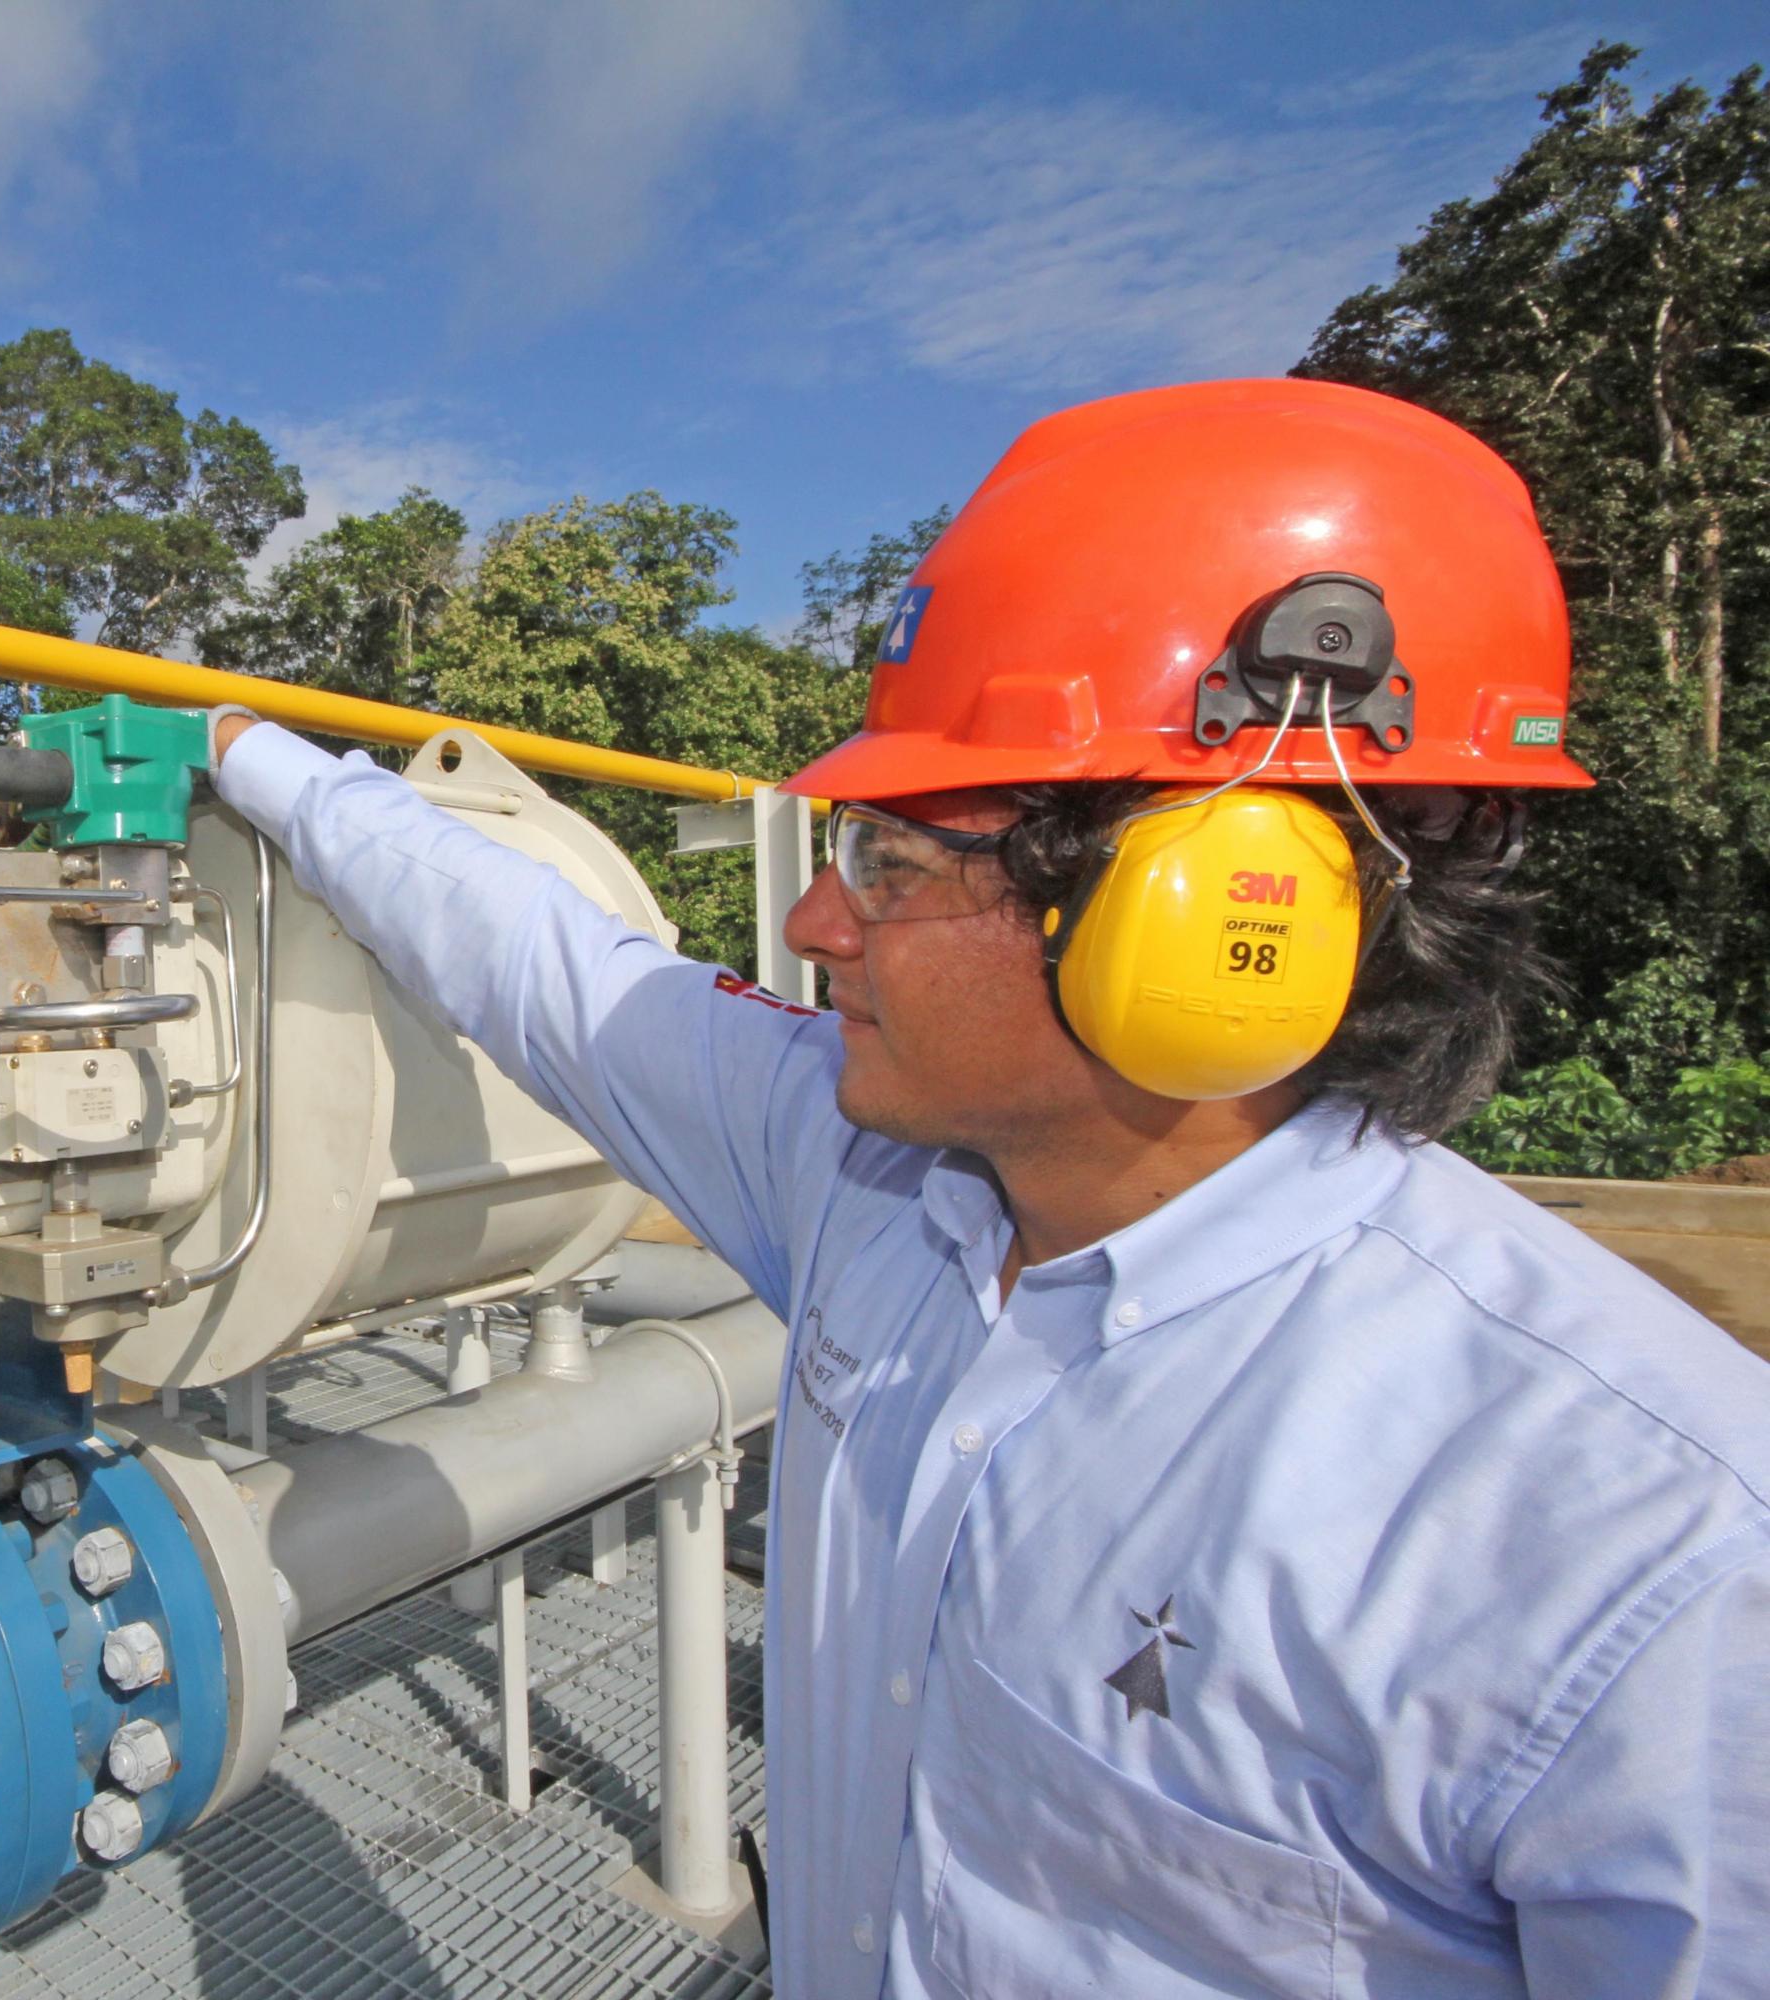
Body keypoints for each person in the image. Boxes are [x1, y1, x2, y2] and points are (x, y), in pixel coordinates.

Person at [204, 379, 1770, 1999]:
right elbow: (543, 966)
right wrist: (260, 759)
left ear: (1213, 916)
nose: (814, 929)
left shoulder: (1654, 1559)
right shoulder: (866, 1177)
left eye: (888, 863)